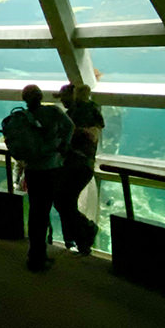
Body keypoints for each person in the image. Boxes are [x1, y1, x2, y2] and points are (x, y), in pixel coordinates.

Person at [13, 85, 73, 273]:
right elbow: (70, 127)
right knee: (44, 211)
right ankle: (40, 255)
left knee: (35, 212)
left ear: (25, 99)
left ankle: (34, 254)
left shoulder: (21, 117)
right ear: (41, 97)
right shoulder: (53, 112)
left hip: (32, 170)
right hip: (50, 168)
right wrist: (64, 146)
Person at [55, 84, 101, 255]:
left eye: (64, 98)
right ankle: (79, 239)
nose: (62, 101)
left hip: (78, 165)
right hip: (77, 164)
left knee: (62, 201)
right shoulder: (81, 112)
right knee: (65, 201)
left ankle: (86, 232)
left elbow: (89, 135)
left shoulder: (80, 113)